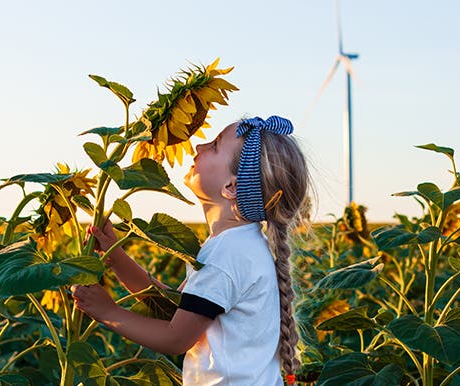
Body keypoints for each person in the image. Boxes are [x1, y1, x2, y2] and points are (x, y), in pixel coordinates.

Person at [72, 115, 311, 385]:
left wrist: (108, 312)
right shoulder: (240, 245)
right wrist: (116, 258)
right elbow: (174, 306)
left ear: (231, 187)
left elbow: (176, 337)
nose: (199, 147)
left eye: (215, 145)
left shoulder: (228, 254)